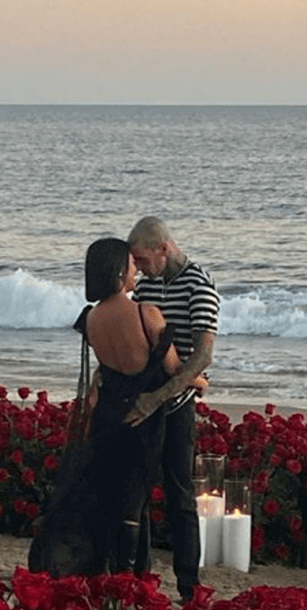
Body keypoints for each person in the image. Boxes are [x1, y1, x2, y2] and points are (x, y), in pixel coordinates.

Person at [28, 238, 203, 577]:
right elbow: (174, 369)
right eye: (131, 264)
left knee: (116, 496)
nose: (136, 268)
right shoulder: (146, 313)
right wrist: (201, 381)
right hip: (144, 420)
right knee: (135, 502)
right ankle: (128, 574)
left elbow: (107, 371)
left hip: (110, 416)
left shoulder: (91, 319)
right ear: (121, 271)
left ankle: (112, 570)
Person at [126, 216, 220, 602]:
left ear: (164, 249)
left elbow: (202, 358)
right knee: (139, 493)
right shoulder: (146, 284)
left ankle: (188, 583)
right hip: (145, 398)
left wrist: (157, 398)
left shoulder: (200, 285)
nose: (139, 269)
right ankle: (140, 576)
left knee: (180, 495)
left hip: (176, 403)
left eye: (143, 260)